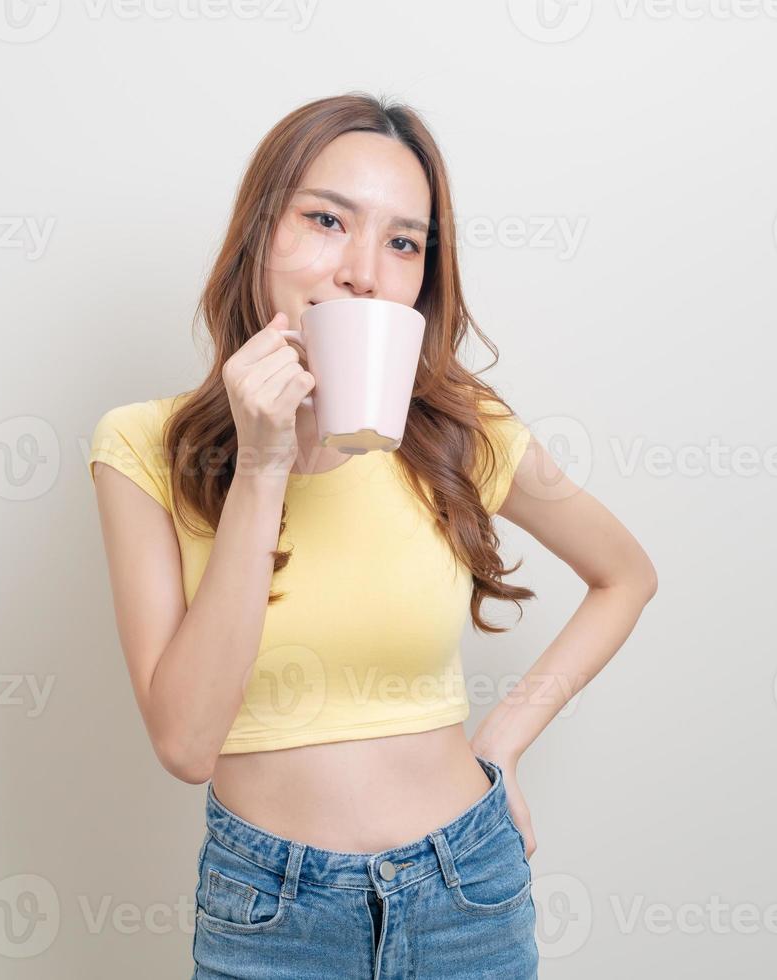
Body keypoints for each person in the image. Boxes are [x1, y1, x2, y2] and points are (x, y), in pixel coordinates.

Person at [88, 92, 657, 979]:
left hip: (467, 891)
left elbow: (627, 576)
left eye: (403, 242)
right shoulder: (142, 447)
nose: (363, 270)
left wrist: (503, 742)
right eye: (326, 220)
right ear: (259, 236)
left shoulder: (463, 431)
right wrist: (264, 465)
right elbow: (187, 745)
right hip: (269, 913)